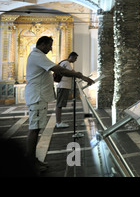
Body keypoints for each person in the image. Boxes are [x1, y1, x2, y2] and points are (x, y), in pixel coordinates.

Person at [24, 36, 94, 173]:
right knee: (34, 129)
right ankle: (30, 162)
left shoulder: (37, 55)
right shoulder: (37, 56)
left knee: (36, 128)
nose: (50, 48)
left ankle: (32, 159)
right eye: (49, 45)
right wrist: (81, 76)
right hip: (37, 97)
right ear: (42, 44)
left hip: (38, 97)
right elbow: (59, 70)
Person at [55, 51, 79, 128]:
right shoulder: (66, 63)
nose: (75, 60)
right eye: (75, 58)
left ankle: (59, 121)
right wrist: (81, 76)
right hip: (63, 86)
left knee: (60, 104)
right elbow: (72, 72)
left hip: (63, 86)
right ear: (71, 57)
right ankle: (58, 122)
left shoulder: (64, 62)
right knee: (59, 105)